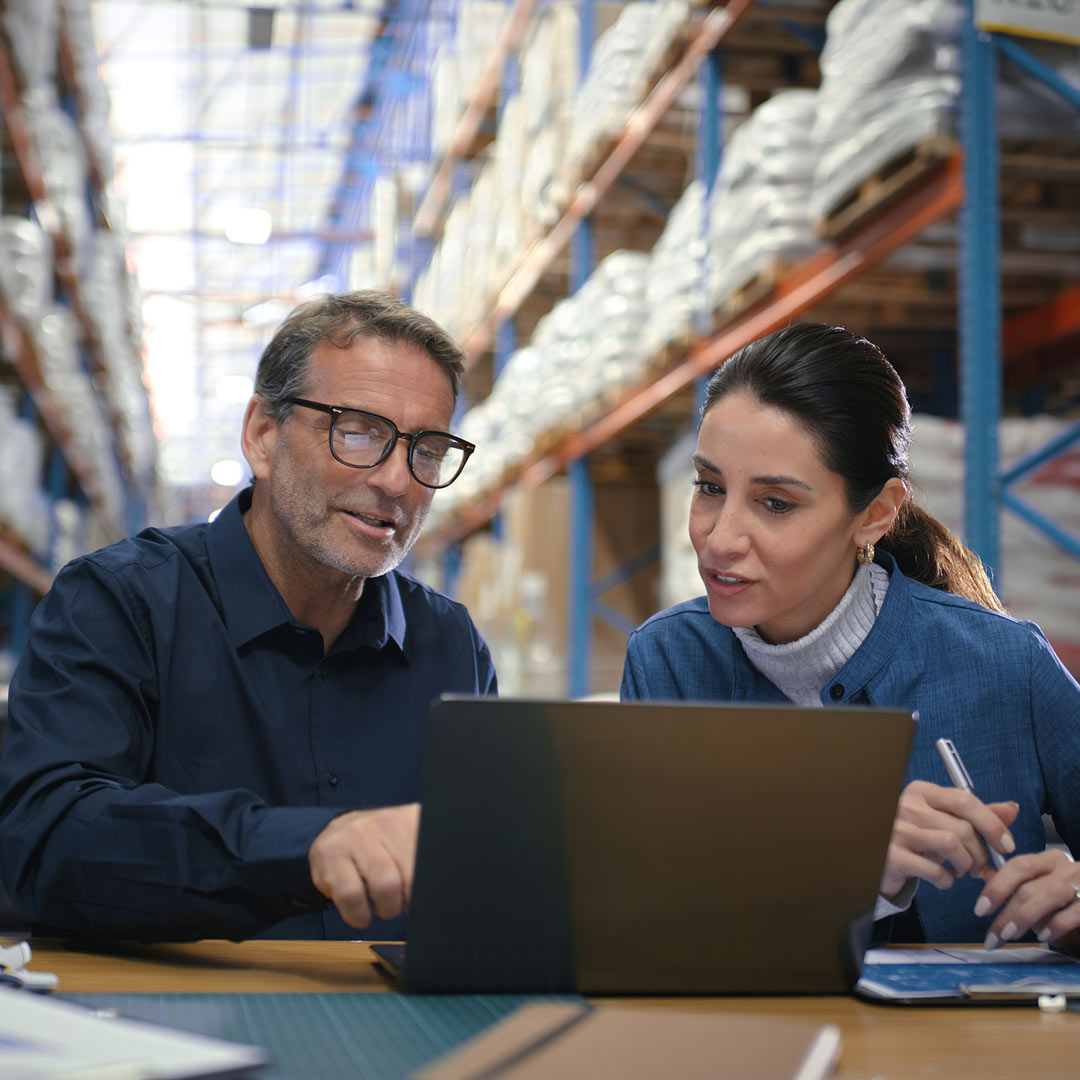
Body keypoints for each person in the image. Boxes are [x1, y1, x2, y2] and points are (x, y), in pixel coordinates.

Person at [0, 290, 496, 942]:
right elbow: (45, 838)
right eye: (358, 431)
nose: (398, 482)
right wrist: (304, 846)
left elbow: (488, 873)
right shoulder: (120, 603)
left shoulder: (451, 647)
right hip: (168, 1026)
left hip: (391, 1028)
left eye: (427, 449)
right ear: (262, 436)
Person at [621, 322, 1080, 947]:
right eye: (710, 488)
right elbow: (647, 923)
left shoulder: (1007, 665)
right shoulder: (668, 662)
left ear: (876, 513)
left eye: (776, 503)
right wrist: (854, 868)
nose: (720, 538)